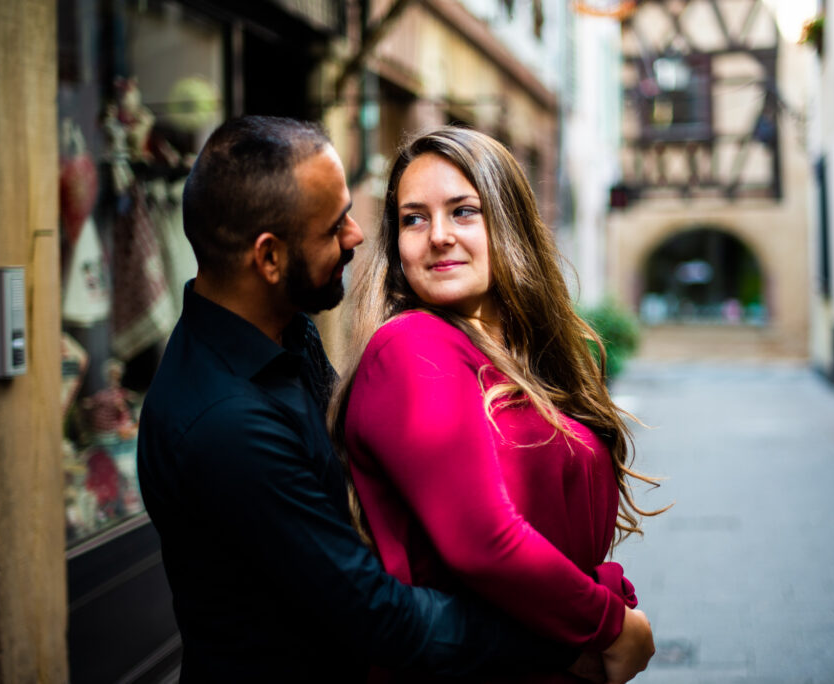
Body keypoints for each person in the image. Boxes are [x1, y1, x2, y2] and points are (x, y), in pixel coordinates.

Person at [136, 115, 653, 683]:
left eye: (464, 210)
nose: (358, 235)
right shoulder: (225, 422)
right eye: (334, 227)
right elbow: (375, 611)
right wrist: (581, 634)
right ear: (269, 259)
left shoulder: (284, 334)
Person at [330, 126, 666, 683]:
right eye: (414, 218)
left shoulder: (515, 354)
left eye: (463, 211)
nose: (438, 235)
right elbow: (481, 541)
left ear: (507, 221)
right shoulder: (413, 346)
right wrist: (610, 624)